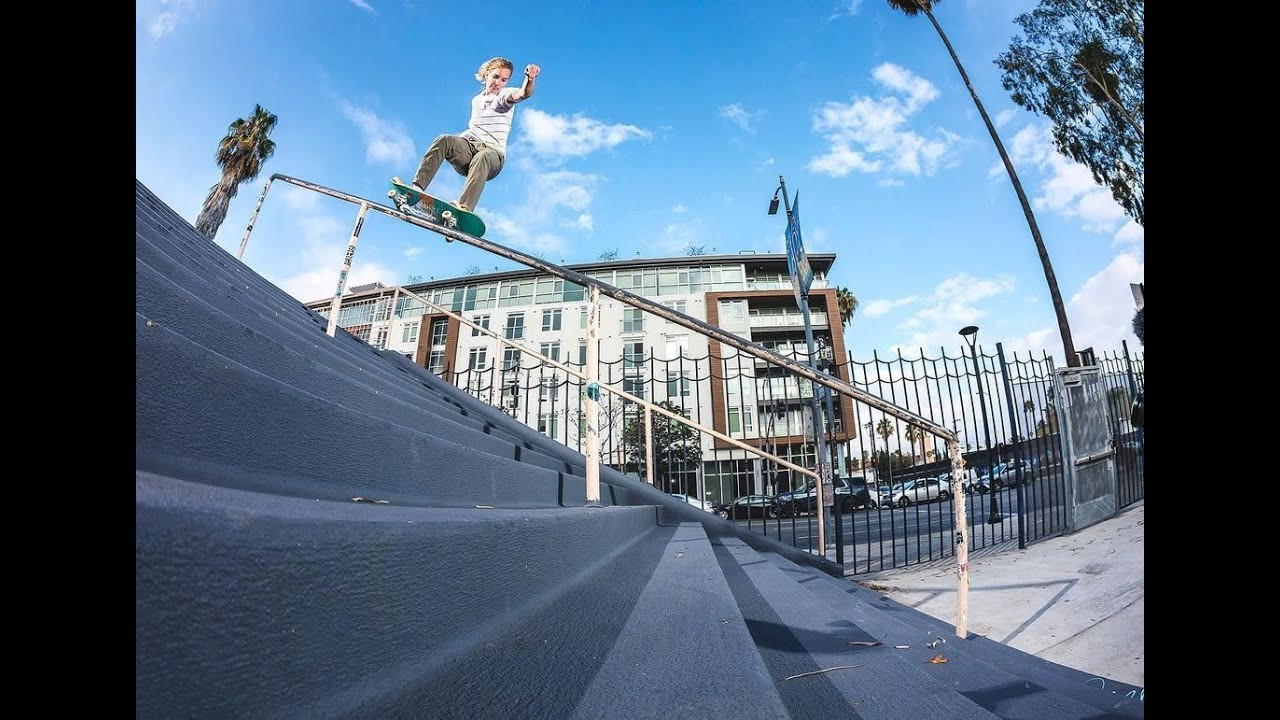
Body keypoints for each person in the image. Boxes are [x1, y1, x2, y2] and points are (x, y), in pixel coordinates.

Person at [408, 57, 540, 213]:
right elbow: (475, 127)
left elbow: (523, 93)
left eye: (504, 80)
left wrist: (529, 79)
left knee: (482, 156)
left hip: (492, 158)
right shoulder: (476, 100)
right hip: (469, 151)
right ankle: (417, 188)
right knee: (444, 140)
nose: (498, 82)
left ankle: (464, 209)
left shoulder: (504, 95)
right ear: (486, 75)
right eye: (495, 77)